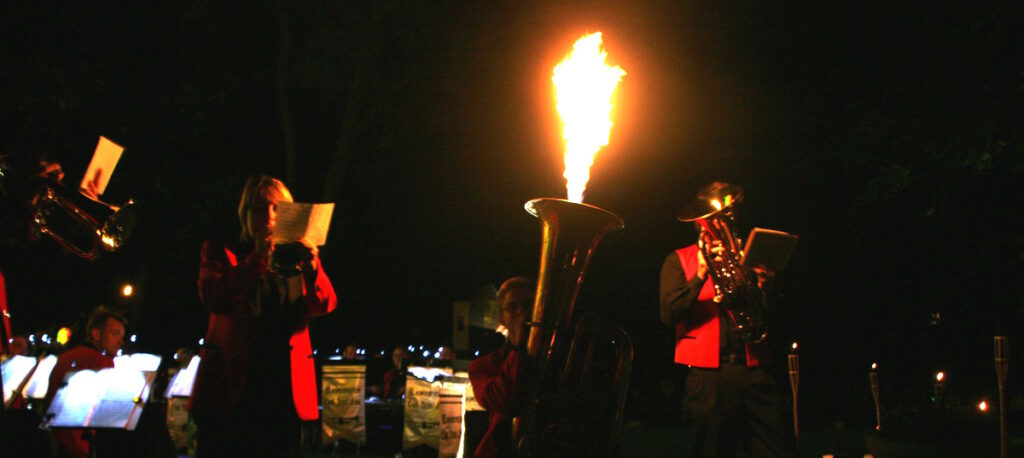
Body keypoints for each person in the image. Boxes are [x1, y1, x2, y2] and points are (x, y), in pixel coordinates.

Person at [189, 175, 338, 457]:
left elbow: (326, 304)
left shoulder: (295, 259)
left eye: (277, 208)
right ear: (246, 215)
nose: (268, 217)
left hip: (283, 392)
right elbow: (215, 298)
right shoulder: (223, 252)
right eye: (259, 209)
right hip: (232, 394)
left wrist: (313, 267)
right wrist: (257, 258)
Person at [659, 182, 796, 457]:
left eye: (727, 215)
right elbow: (668, 314)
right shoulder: (678, 260)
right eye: (715, 217)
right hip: (709, 378)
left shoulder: (745, 260)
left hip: (756, 371)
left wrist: (764, 289)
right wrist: (700, 275)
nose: (722, 223)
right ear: (699, 221)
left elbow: (771, 318)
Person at [44, 306, 127, 458]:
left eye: (122, 336)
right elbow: (113, 413)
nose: (121, 341)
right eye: (115, 334)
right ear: (96, 334)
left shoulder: (66, 356)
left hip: (53, 444)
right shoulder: (100, 361)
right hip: (81, 447)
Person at [468, 277, 535, 458]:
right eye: (513, 307)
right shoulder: (482, 367)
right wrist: (518, 347)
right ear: (502, 318)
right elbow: (505, 401)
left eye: (529, 305)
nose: (522, 312)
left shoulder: (560, 359)